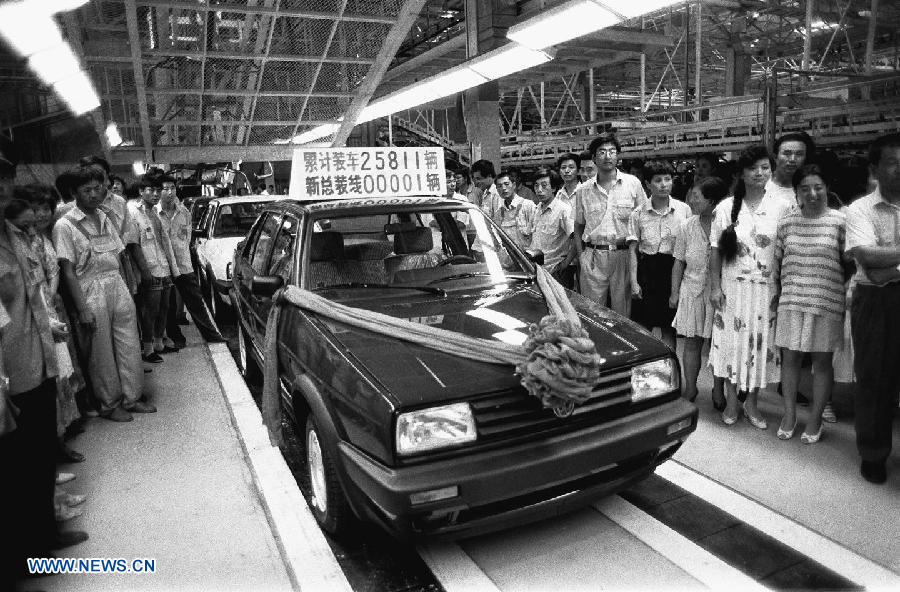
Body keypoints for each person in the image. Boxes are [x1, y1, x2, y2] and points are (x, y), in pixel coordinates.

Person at [1, 172, 88, 583]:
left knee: (38, 460)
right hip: (10, 374)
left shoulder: (14, 235)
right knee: (18, 468)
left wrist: (46, 328)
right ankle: (24, 551)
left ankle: (42, 539)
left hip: (36, 360)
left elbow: (28, 298)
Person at [54, 164, 152, 422]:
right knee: (101, 351)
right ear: (74, 192)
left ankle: (133, 397)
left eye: (98, 188)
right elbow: (67, 271)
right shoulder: (65, 225)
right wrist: (82, 308)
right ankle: (110, 404)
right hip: (89, 289)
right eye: (87, 190)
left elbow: (119, 256)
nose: (95, 194)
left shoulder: (106, 216)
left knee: (129, 342)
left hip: (116, 284)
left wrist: (127, 287)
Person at [709, 145, 792, 428]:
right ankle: (732, 401)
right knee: (732, 344)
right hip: (732, 289)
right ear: (742, 173)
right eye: (753, 168)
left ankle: (753, 403)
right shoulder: (725, 208)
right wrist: (714, 288)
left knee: (759, 345)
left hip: (766, 290)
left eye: (765, 168)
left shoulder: (782, 207)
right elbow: (715, 251)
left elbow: (785, 250)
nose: (760, 173)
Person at [772, 165, 846, 444]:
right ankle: (789, 415)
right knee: (789, 360)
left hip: (826, 301)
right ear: (797, 192)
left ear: (827, 188)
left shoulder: (840, 222)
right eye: (805, 188)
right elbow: (777, 263)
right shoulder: (787, 222)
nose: (812, 193)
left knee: (822, 363)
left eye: (818, 187)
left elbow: (848, 263)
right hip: (791, 300)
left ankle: (815, 419)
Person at [845, 132, 900, 484]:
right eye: (892, 162)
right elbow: (866, 260)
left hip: (886, 285)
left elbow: (882, 265)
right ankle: (874, 452)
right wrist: (878, 264)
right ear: (876, 168)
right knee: (874, 378)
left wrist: (887, 263)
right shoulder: (860, 209)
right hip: (876, 303)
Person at [573, 133, 646, 317]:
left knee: (623, 313)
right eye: (602, 152)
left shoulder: (632, 184)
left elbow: (643, 219)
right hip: (593, 256)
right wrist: (582, 257)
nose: (608, 156)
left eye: (612, 152)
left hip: (623, 255)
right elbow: (578, 226)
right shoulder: (583, 190)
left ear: (618, 156)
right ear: (594, 158)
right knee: (592, 312)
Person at [670, 177, 728, 407]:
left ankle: (719, 391)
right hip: (691, 289)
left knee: (719, 343)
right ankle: (691, 387)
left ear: (712, 201)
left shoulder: (726, 224)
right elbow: (678, 262)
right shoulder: (686, 226)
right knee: (692, 342)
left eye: (696, 197)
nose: (691, 201)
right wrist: (674, 292)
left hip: (719, 292)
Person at [627, 160, 691, 349]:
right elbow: (633, 250)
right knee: (643, 326)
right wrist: (634, 282)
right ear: (647, 184)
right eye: (658, 180)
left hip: (673, 270)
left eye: (668, 179)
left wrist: (678, 288)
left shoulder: (683, 210)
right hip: (647, 271)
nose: (664, 184)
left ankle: (671, 370)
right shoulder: (638, 214)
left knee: (669, 327)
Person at [157, 175, 226, 348]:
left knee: (196, 301)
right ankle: (176, 337)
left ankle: (212, 335)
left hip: (184, 264)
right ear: (159, 191)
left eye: (172, 188)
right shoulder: (154, 213)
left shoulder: (184, 212)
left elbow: (187, 238)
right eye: (165, 188)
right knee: (169, 305)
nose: (170, 192)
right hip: (164, 266)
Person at [129, 174, 178, 363]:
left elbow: (162, 242)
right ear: (141, 192)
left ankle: (159, 343)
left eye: (158, 190)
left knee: (164, 307)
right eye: (151, 190)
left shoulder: (155, 213)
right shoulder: (134, 212)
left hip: (163, 266)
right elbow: (133, 245)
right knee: (150, 310)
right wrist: (145, 271)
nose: (156, 194)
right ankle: (148, 349)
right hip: (149, 268)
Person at [530, 166, 575, 287]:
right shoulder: (537, 209)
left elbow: (576, 238)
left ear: (554, 188)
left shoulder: (563, 210)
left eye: (544, 186)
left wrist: (565, 264)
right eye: (536, 186)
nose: (539, 190)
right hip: (537, 270)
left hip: (555, 272)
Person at [486, 171, 535, 251]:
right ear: (497, 190)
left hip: (527, 259)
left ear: (514, 185)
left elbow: (537, 234)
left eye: (506, 184)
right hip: (508, 259)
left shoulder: (527, 206)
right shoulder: (499, 213)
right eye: (499, 186)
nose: (503, 188)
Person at [768, 132, 816, 205]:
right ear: (775, 157)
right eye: (787, 153)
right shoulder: (759, 184)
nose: (792, 159)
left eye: (799, 154)